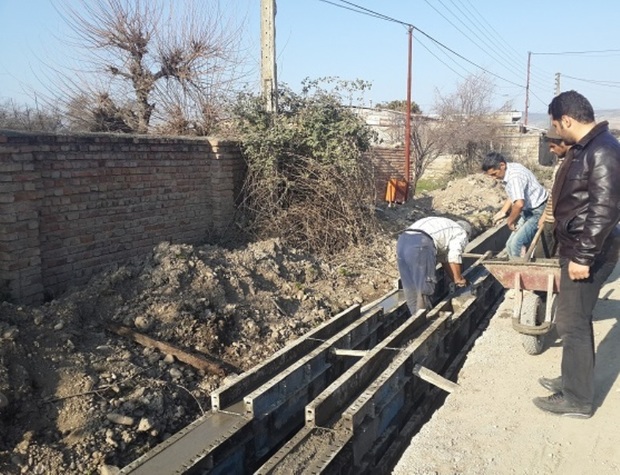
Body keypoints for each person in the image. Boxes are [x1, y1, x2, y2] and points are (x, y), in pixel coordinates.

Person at [534, 90, 620, 418]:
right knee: (571, 320)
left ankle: (578, 399)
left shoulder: (603, 151)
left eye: (557, 125)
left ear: (566, 120)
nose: (558, 131)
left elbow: (605, 209)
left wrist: (583, 256)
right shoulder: (589, 148)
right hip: (576, 247)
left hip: (588, 252)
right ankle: (571, 378)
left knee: (572, 322)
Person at [396, 217, 471, 316]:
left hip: (402, 241)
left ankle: (414, 320)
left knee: (410, 288)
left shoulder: (445, 228)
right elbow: (454, 256)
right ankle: (424, 323)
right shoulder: (461, 232)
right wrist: (458, 279)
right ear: (467, 233)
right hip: (421, 243)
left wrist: (454, 278)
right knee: (424, 288)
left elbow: (445, 260)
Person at [481, 152, 548, 258]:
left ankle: (520, 272)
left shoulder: (514, 176)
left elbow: (519, 204)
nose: (494, 178)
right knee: (509, 245)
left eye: (494, 174)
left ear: (502, 165)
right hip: (528, 210)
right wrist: (503, 212)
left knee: (516, 245)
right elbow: (514, 195)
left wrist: (510, 221)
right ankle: (515, 267)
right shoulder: (510, 169)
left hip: (538, 210)